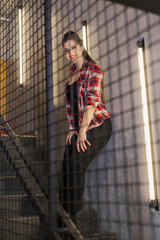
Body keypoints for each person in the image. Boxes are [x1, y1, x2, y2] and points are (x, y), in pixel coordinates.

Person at [60, 31, 112, 222]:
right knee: (66, 168)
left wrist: (82, 131)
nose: (70, 53)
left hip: (97, 125)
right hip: (80, 127)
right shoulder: (72, 75)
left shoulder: (94, 69)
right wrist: (72, 129)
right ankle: (61, 218)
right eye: (66, 50)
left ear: (82, 47)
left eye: (73, 47)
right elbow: (71, 106)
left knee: (76, 165)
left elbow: (90, 104)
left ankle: (71, 220)